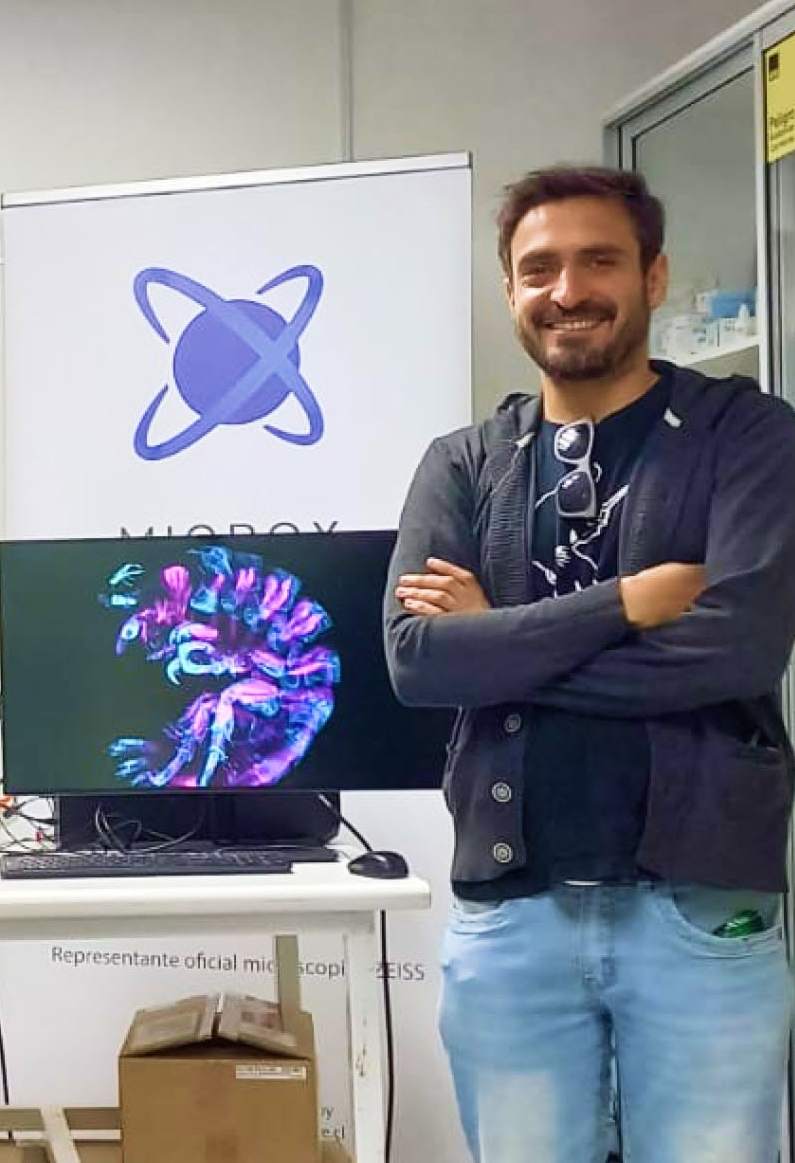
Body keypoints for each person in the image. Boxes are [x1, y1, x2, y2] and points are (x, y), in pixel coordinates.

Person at [385, 166, 795, 1162]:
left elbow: (736, 648)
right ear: (511, 293)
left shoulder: (747, 436)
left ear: (654, 278)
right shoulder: (465, 464)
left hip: (702, 910)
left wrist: (503, 644)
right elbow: (418, 663)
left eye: (599, 260)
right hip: (514, 912)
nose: (568, 289)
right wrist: (625, 604)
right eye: (540, 268)